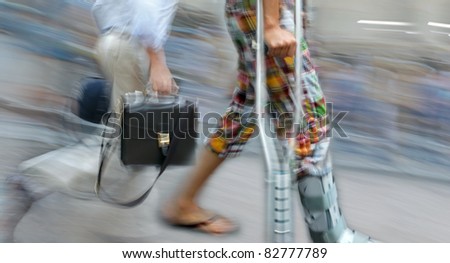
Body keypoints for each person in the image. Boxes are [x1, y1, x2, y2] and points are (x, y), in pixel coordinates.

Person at [163, 0, 376, 242]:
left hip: (258, 9)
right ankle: (331, 236)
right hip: (262, 9)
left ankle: (183, 202)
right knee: (307, 117)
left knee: (245, 110)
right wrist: (272, 23)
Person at [92, 0, 179, 113]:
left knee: (125, 113)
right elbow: (145, 7)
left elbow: (98, 8)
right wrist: (157, 62)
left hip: (110, 41)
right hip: (130, 46)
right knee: (133, 119)